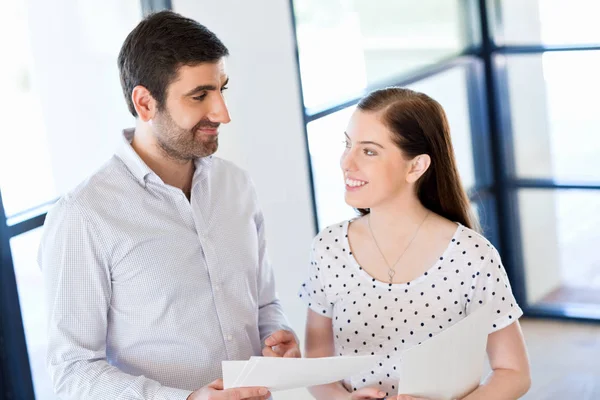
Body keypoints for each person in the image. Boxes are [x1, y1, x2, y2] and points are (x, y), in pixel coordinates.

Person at [38, 10, 299, 400]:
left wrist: (276, 338)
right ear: (145, 103)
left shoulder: (235, 185)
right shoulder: (84, 216)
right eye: (199, 96)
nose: (222, 113)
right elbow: (72, 373)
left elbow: (263, 303)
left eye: (221, 90)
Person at [299, 87, 531, 400]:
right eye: (347, 144)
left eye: (369, 151)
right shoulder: (328, 248)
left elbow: (513, 373)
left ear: (416, 166)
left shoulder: (472, 256)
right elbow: (317, 361)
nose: (346, 162)